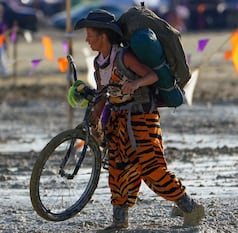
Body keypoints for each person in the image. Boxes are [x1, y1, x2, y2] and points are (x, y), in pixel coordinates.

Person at [73, 10, 205, 230]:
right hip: (117, 121)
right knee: (118, 170)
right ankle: (119, 221)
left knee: (152, 168)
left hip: (142, 118)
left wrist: (134, 84)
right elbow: (103, 95)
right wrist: (94, 121)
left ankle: (190, 207)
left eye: (90, 35)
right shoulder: (98, 63)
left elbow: (151, 76)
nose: (87, 40)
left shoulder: (124, 57)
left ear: (103, 36)